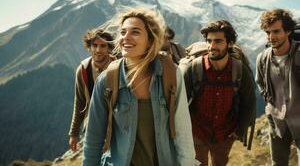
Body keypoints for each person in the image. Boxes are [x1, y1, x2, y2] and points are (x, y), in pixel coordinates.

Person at [83, 9, 199, 166]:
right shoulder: (107, 80)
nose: (125, 37)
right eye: (123, 32)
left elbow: (182, 129)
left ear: (151, 40)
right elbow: (93, 138)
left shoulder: (170, 74)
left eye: (135, 32)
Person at [181, 20, 256, 166]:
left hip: (225, 134)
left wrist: (238, 131)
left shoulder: (240, 71)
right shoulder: (194, 69)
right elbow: (180, 102)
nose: (212, 46)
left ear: (230, 43)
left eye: (218, 41)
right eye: (209, 41)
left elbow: (249, 103)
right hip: (197, 132)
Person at [256, 8, 300, 166]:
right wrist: (270, 103)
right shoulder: (262, 58)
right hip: (277, 122)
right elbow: (260, 82)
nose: (271, 37)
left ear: (288, 31)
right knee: (277, 163)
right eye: (268, 32)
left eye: (276, 31)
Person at [68, 28, 115, 152]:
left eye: (103, 45)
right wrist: (73, 133)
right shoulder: (83, 70)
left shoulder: (118, 66)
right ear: (89, 47)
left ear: (109, 48)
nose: (98, 50)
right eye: (95, 45)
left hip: (117, 125)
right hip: (92, 125)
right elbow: (79, 103)